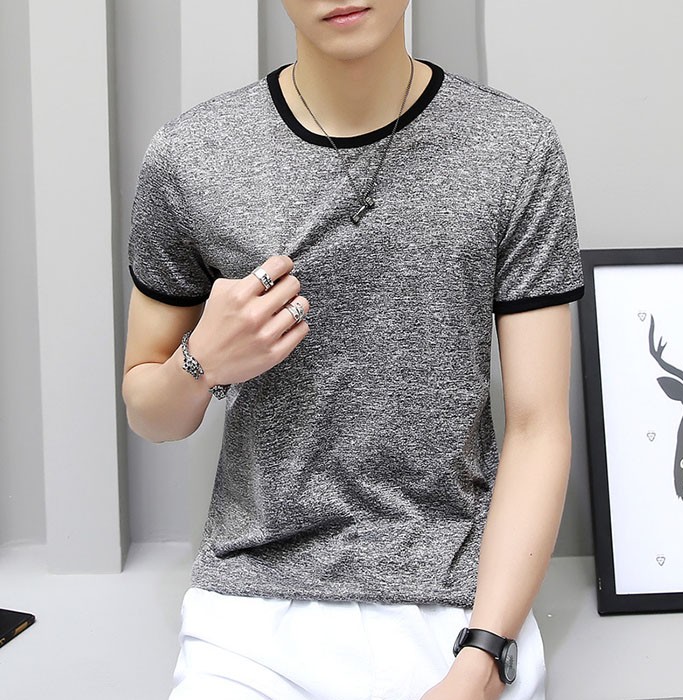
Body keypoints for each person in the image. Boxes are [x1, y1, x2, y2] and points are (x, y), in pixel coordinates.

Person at [122, 1, 585, 699]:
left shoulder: (514, 148)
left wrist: (483, 660)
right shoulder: (191, 156)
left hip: (461, 602)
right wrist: (201, 363)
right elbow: (147, 412)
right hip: (253, 608)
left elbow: (538, 428)